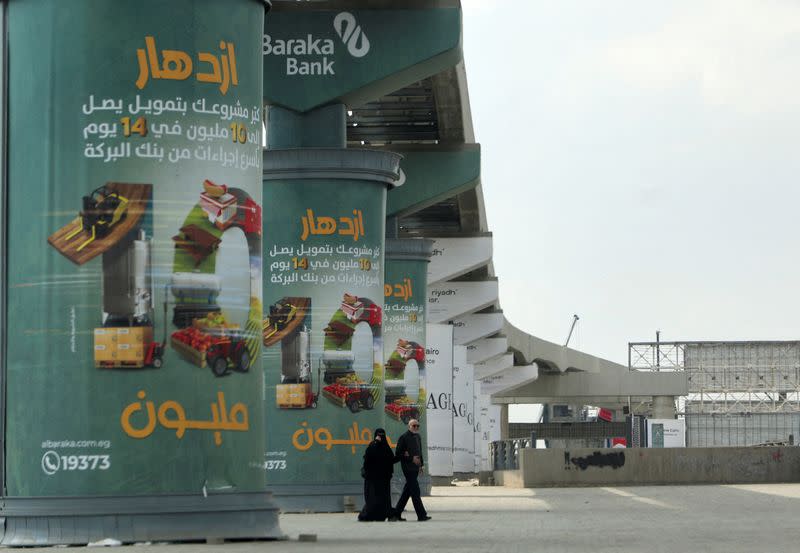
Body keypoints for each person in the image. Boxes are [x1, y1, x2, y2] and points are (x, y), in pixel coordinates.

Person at [391, 419, 431, 521]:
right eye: (414, 426)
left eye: (418, 426)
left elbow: (419, 452)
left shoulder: (418, 437)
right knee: (415, 491)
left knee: (407, 492)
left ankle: (396, 514)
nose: (416, 428)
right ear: (409, 426)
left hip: (415, 468)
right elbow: (398, 454)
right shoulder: (403, 438)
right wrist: (411, 458)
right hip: (408, 468)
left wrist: (421, 465)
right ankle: (421, 515)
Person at [358, 428, 397, 521]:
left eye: (382, 435)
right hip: (372, 478)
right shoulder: (372, 445)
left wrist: (402, 456)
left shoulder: (386, 447)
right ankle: (370, 515)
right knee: (373, 498)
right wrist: (375, 442)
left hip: (384, 478)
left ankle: (383, 515)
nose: (380, 437)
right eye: (378, 435)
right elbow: (367, 459)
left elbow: (391, 460)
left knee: (384, 498)